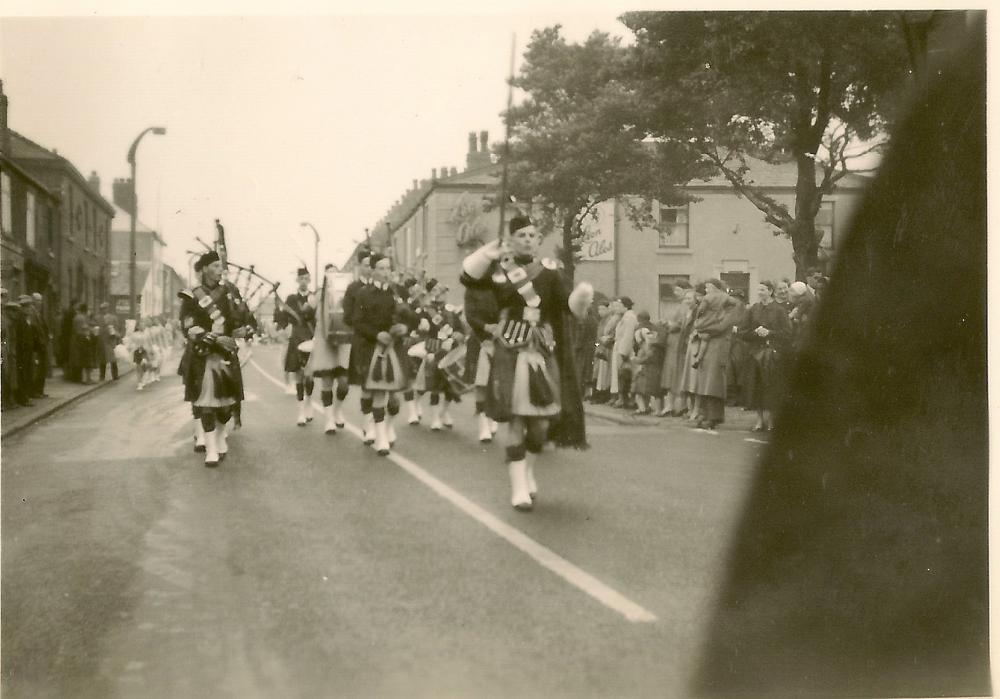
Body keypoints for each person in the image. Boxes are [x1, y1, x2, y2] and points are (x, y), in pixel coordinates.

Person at [460, 215, 591, 510]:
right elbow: (467, 278)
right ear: (512, 239)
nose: (528, 239)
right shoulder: (500, 271)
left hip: (542, 351)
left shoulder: (550, 273)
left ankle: (528, 470)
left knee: (541, 426)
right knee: (517, 420)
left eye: (533, 235)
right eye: (522, 235)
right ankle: (518, 487)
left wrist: (580, 299)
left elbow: (567, 306)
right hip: (510, 349)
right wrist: (486, 255)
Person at [179, 251, 250, 466]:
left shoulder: (231, 292)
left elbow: (245, 319)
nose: (221, 269)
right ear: (205, 269)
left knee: (226, 406)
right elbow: (188, 326)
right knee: (207, 403)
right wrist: (214, 339)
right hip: (205, 354)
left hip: (227, 353)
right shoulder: (192, 295)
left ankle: (220, 436)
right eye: (216, 266)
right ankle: (210, 447)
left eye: (221, 266)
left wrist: (243, 330)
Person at [352, 252, 410, 455]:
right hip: (373, 347)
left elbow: (408, 316)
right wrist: (377, 334)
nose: (386, 272)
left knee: (394, 399)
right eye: (382, 269)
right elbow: (357, 322)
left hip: (396, 347)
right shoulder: (363, 294)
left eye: (388, 268)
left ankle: (386, 427)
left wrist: (405, 327)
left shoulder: (398, 292)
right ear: (374, 271)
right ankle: (381, 437)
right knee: (377, 392)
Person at [305, 264, 354, 434]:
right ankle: (328, 420)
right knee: (326, 381)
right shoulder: (319, 294)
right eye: (328, 274)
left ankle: (337, 410)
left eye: (335, 274)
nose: (332, 277)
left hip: (343, 342)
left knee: (344, 383)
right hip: (324, 340)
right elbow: (308, 311)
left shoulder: (345, 294)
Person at [739, 281, 792, 431]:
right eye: (758, 290)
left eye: (762, 290)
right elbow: (743, 332)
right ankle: (759, 420)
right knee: (756, 387)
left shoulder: (780, 310)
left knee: (771, 387)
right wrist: (755, 333)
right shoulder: (753, 309)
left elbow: (788, 333)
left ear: (770, 291)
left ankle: (771, 420)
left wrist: (770, 333)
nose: (759, 293)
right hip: (755, 353)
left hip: (773, 354)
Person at [691, 279, 740, 430]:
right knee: (706, 381)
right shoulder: (716, 310)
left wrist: (702, 330)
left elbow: (719, 328)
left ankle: (714, 416)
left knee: (714, 382)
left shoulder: (730, 309)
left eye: (710, 288)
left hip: (719, 347)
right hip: (710, 346)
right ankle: (705, 414)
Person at [276, 267, 317, 426]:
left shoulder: (314, 298)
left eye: (307, 278)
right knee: (299, 376)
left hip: (311, 338)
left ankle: (309, 402)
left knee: (310, 376)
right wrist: (281, 326)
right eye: (301, 279)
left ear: (310, 280)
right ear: (297, 280)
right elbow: (283, 318)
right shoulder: (291, 299)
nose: (304, 282)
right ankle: (301, 412)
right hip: (296, 339)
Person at [657, 281, 692, 416]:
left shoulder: (684, 306)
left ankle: (675, 405)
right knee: (673, 372)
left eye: (678, 290)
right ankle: (675, 405)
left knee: (675, 372)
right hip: (673, 342)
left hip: (677, 342)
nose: (675, 293)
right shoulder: (680, 305)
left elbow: (680, 324)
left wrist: (667, 324)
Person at [611, 297, 638, 409]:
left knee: (625, 374)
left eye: (618, 306)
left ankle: (626, 399)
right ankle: (622, 398)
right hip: (619, 347)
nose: (616, 308)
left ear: (625, 306)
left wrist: (623, 352)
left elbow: (628, 336)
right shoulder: (624, 317)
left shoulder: (630, 317)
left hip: (624, 350)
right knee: (621, 375)